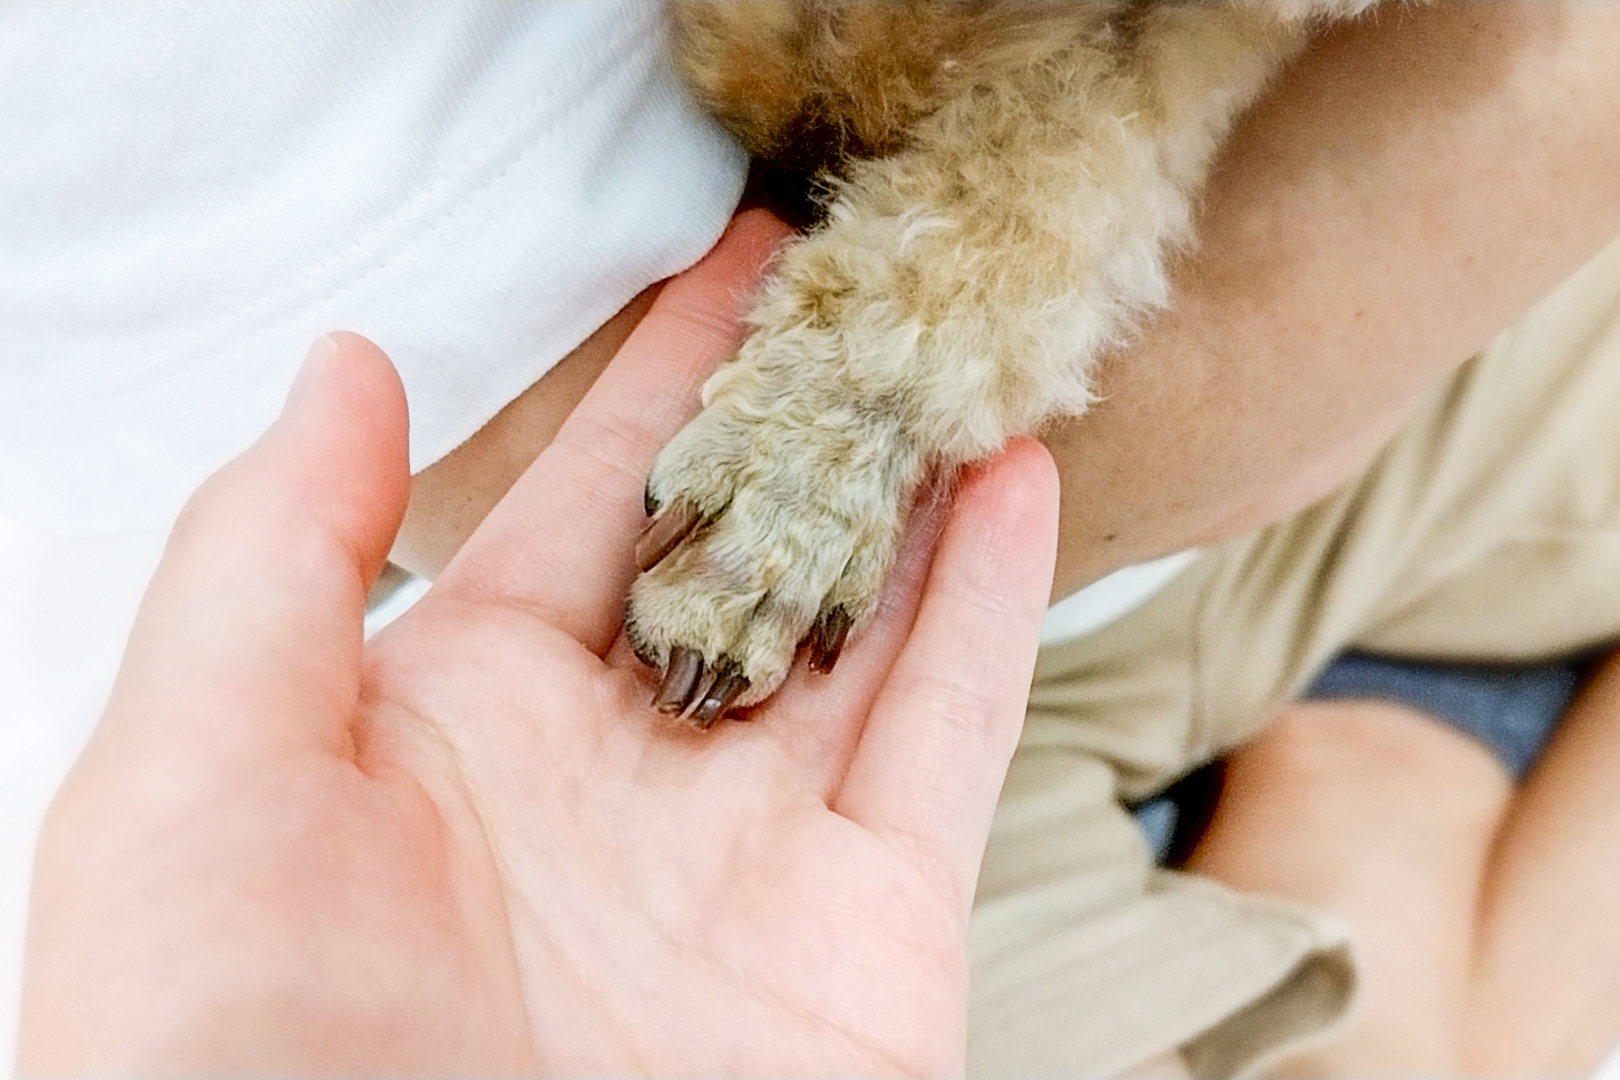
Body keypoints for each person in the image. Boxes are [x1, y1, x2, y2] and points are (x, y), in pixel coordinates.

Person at [7, 0, 1620, 1074]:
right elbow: (559, 492)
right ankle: (1400, 758)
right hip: (785, 737)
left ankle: (1389, 768)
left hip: (1250, 428)